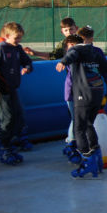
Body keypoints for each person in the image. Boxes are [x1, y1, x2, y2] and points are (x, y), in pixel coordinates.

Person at [56, 34, 107, 178]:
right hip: (97, 92)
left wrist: (63, 61)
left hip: (84, 93)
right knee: (89, 124)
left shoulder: (75, 52)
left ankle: (87, 160)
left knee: (79, 128)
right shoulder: (94, 53)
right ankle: (96, 154)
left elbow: (72, 55)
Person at [61, 25, 107, 164]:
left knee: (86, 123)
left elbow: (105, 71)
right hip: (74, 93)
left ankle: (89, 153)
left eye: (83, 40)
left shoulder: (96, 52)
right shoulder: (74, 51)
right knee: (78, 122)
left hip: (90, 92)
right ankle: (75, 146)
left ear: (91, 40)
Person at [24, 17, 78, 155]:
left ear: (76, 28)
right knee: (76, 115)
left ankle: (77, 139)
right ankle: (72, 141)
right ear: (62, 32)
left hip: (85, 84)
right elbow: (53, 56)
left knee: (83, 115)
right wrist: (35, 53)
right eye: (66, 30)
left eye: (71, 29)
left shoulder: (81, 40)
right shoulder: (64, 44)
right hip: (73, 85)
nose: (69, 32)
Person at [0, 22, 33, 165]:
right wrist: (3, 85)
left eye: (20, 38)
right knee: (7, 118)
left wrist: (27, 68)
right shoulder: (1, 49)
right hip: (1, 90)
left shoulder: (17, 48)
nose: (19, 41)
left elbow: (27, 61)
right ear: (6, 36)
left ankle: (12, 144)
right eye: (16, 38)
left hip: (12, 88)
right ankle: (5, 148)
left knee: (17, 115)